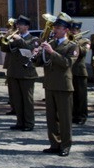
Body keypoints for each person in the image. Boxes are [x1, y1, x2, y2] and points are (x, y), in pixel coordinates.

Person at [33, 15, 77, 157]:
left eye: (58, 28)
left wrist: (51, 52)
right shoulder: (51, 42)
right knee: (51, 118)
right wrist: (36, 55)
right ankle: (54, 144)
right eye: (55, 27)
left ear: (66, 30)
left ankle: (65, 145)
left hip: (64, 86)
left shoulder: (72, 46)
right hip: (50, 84)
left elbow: (67, 63)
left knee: (64, 118)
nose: (55, 30)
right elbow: (41, 62)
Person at [0, 15, 39, 131]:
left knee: (27, 100)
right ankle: (20, 122)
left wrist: (20, 40)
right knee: (16, 100)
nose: (18, 26)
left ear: (27, 26)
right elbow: (4, 48)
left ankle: (29, 123)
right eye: (17, 24)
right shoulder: (13, 38)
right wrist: (5, 37)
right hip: (14, 72)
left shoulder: (34, 39)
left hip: (27, 74)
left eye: (20, 24)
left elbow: (31, 50)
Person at [69, 21, 91, 125]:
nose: (73, 32)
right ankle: (73, 115)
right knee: (71, 96)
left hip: (80, 72)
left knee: (81, 96)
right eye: (72, 30)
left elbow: (83, 52)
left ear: (79, 31)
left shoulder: (85, 41)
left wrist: (75, 43)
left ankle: (82, 116)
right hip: (69, 71)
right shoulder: (68, 39)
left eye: (75, 30)